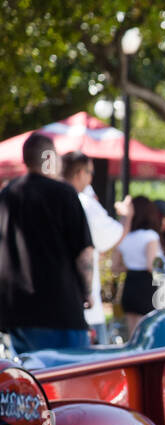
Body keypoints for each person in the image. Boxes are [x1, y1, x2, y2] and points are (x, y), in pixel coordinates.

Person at [0, 132, 95, 353]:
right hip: (60, 308)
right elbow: (84, 254)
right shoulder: (64, 193)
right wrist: (87, 290)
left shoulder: (6, 195)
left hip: (18, 312)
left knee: (31, 382)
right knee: (70, 381)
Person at [62, 151, 131, 343]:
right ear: (79, 173)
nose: (91, 178)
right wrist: (127, 215)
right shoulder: (84, 203)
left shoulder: (48, 201)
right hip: (83, 306)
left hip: (51, 304)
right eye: (90, 172)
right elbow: (110, 238)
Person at [113, 195, 163, 339]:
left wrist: (131, 265)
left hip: (130, 284)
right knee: (147, 334)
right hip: (146, 286)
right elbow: (151, 265)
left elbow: (115, 267)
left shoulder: (125, 237)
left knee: (132, 335)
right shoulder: (150, 236)